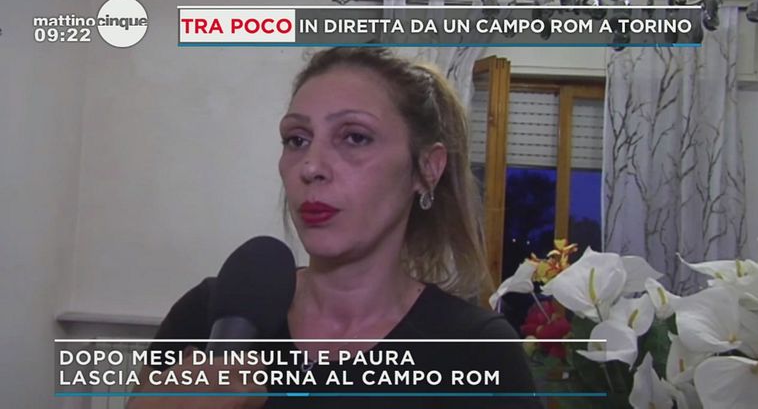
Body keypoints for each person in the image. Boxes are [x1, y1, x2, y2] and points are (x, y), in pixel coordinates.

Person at [128, 47, 542, 409]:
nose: (311, 166)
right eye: (297, 139)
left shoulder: (476, 352)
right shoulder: (205, 316)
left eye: (355, 137)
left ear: (426, 169)